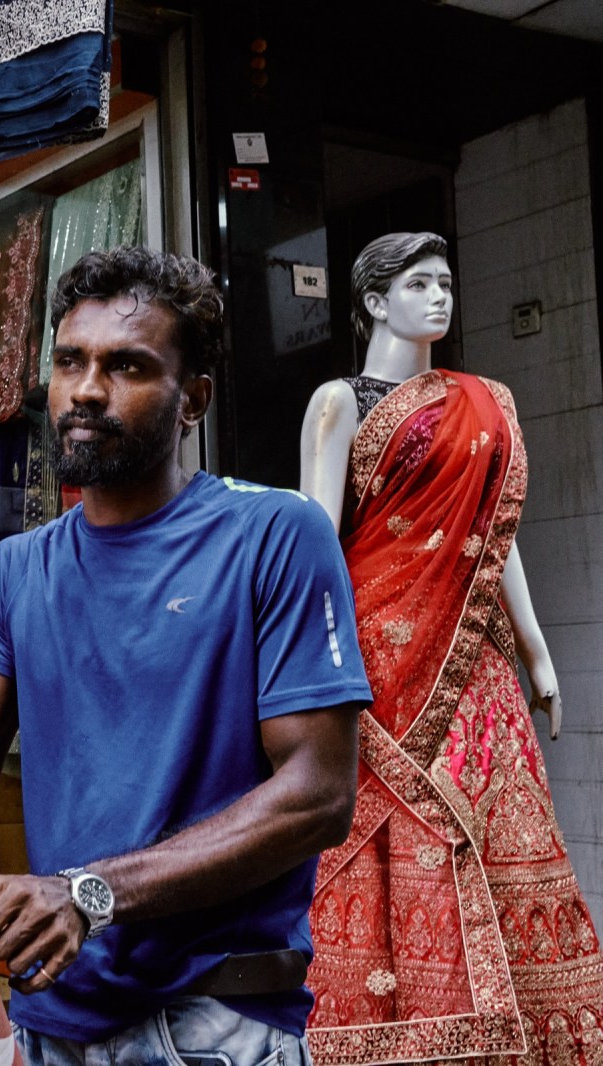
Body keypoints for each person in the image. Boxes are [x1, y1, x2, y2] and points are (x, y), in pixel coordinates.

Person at [0, 245, 373, 1066]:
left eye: (127, 366)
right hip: (52, 1013)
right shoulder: (18, 567)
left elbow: (319, 795)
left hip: (212, 1021)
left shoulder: (274, 535)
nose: (86, 389)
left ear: (194, 400)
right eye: (70, 361)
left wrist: (89, 893)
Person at [299, 232, 603, 1066]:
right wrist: (307, 663)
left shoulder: (483, 401)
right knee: (381, 839)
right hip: (373, 663)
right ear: (372, 301)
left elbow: (493, 539)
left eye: (446, 283)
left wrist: (537, 650)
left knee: (498, 827)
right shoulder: (338, 402)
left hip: (471, 665)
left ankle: (515, 1033)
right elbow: (316, 542)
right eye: (419, 283)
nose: (440, 297)